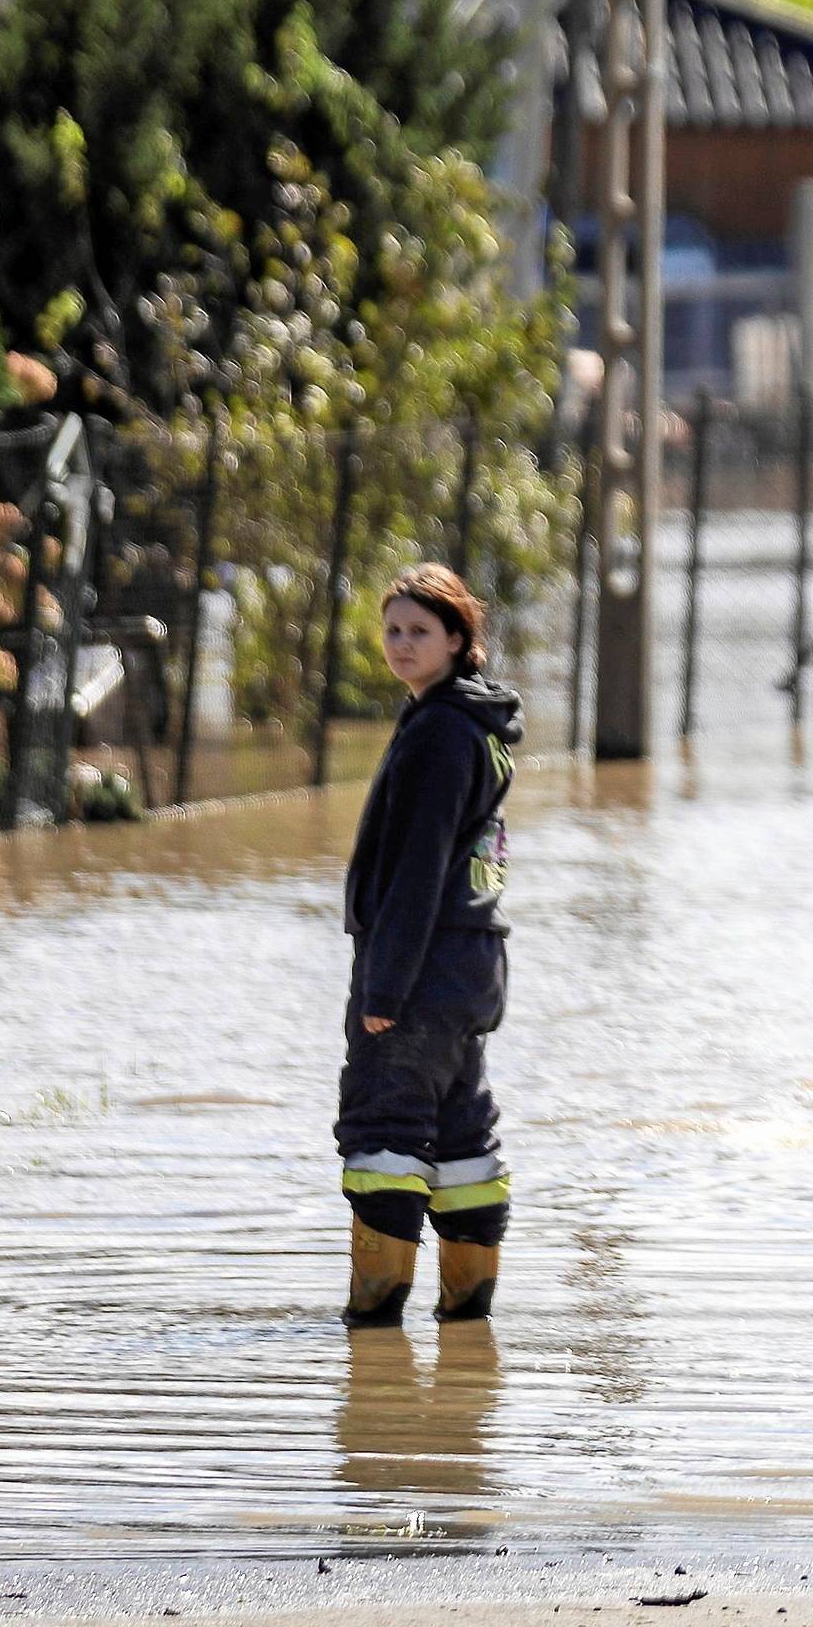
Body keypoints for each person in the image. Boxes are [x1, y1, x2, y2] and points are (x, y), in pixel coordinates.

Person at [335, 563, 523, 1328]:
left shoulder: (442, 731)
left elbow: (417, 868)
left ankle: (374, 1327)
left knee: (384, 1135)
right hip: (469, 972)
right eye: (393, 631)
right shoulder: (477, 724)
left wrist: (383, 991)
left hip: (418, 976)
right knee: (460, 1142)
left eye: (419, 631)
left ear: (458, 639)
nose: (402, 645)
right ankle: (468, 1320)